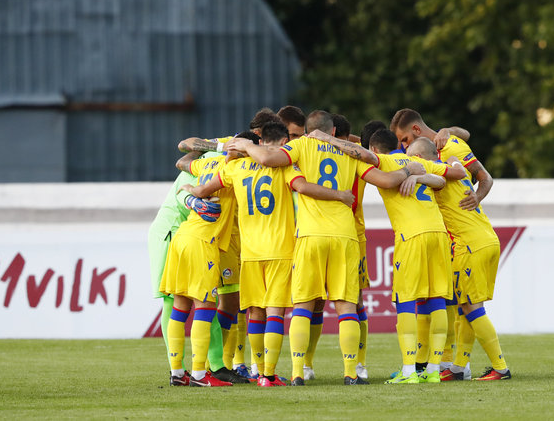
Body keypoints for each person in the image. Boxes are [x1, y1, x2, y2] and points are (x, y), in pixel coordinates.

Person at [227, 110, 425, 385]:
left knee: (303, 307)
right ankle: (351, 373)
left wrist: (248, 145)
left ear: (307, 130)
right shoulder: (349, 153)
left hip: (310, 236)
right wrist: (408, 170)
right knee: (346, 307)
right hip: (345, 236)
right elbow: (387, 180)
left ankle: (298, 372)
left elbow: (268, 158)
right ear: (333, 132)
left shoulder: (300, 146)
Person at [182, 122, 354, 387]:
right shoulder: (284, 167)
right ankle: (268, 375)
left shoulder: (235, 168)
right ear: (284, 141)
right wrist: (341, 195)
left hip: (249, 253)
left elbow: (202, 189)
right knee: (275, 313)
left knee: (255, 314)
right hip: (281, 250)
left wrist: (190, 195)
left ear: (260, 143)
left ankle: (256, 369)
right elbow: (304, 187)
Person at [310, 127, 465, 384]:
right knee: (437, 299)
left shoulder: (388, 160)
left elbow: (363, 156)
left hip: (412, 236)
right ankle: (434, 370)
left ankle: (408, 372)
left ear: (374, 149)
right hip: (438, 234)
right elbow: (442, 179)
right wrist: (420, 176)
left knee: (405, 301)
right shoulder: (417, 161)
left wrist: (326, 138)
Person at [406, 136, 511, 381]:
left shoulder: (436, 171)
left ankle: (500, 367)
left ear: (419, 159)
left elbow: (440, 178)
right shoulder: (452, 162)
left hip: (470, 245)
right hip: (487, 239)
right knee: (466, 306)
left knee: (471, 307)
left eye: (411, 159)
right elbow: (454, 165)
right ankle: (459, 366)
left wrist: (417, 176)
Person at [160, 132, 259, 387]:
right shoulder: (236, 169)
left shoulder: (207, 162)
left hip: (182, 238)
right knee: (204, 308)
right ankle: (201, 375)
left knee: (180, 307)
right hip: (203, 243)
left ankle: (177, 373)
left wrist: (213, 147)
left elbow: (182, 161)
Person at [302, 114, 372, 381]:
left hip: (317, 233)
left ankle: (305, 366)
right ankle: (358, 366)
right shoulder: (356, 156)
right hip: (352, 236)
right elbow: (369, 151)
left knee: (313, 303)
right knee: (353, 303)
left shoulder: (308, 152)